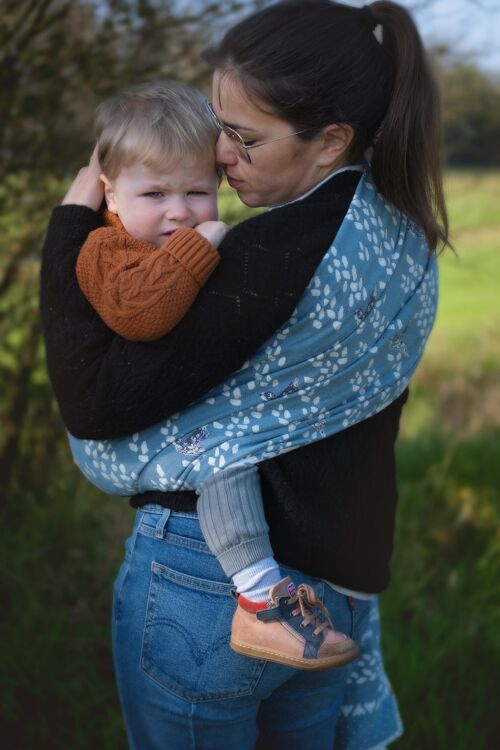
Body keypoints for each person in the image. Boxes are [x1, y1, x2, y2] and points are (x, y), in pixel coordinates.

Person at [40, 1, 448, 748]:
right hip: (335, 589)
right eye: (221, 128)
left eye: (244, 138)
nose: (220, 157)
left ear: (330, 141)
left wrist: (70, 222)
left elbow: (94, 400)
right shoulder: (405, 238)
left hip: (214, 590)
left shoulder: (266, 257)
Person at [74, 79, 359, 670]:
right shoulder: (107, 249)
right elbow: (142, 313)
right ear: (112, 197)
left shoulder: (174, 236)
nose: (179, 210)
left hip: (166, 413)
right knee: (225, 455)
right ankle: (256, 597)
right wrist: (206, 243)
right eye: (154, 193)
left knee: (237, 443)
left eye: (196, 192)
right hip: (119, 436)